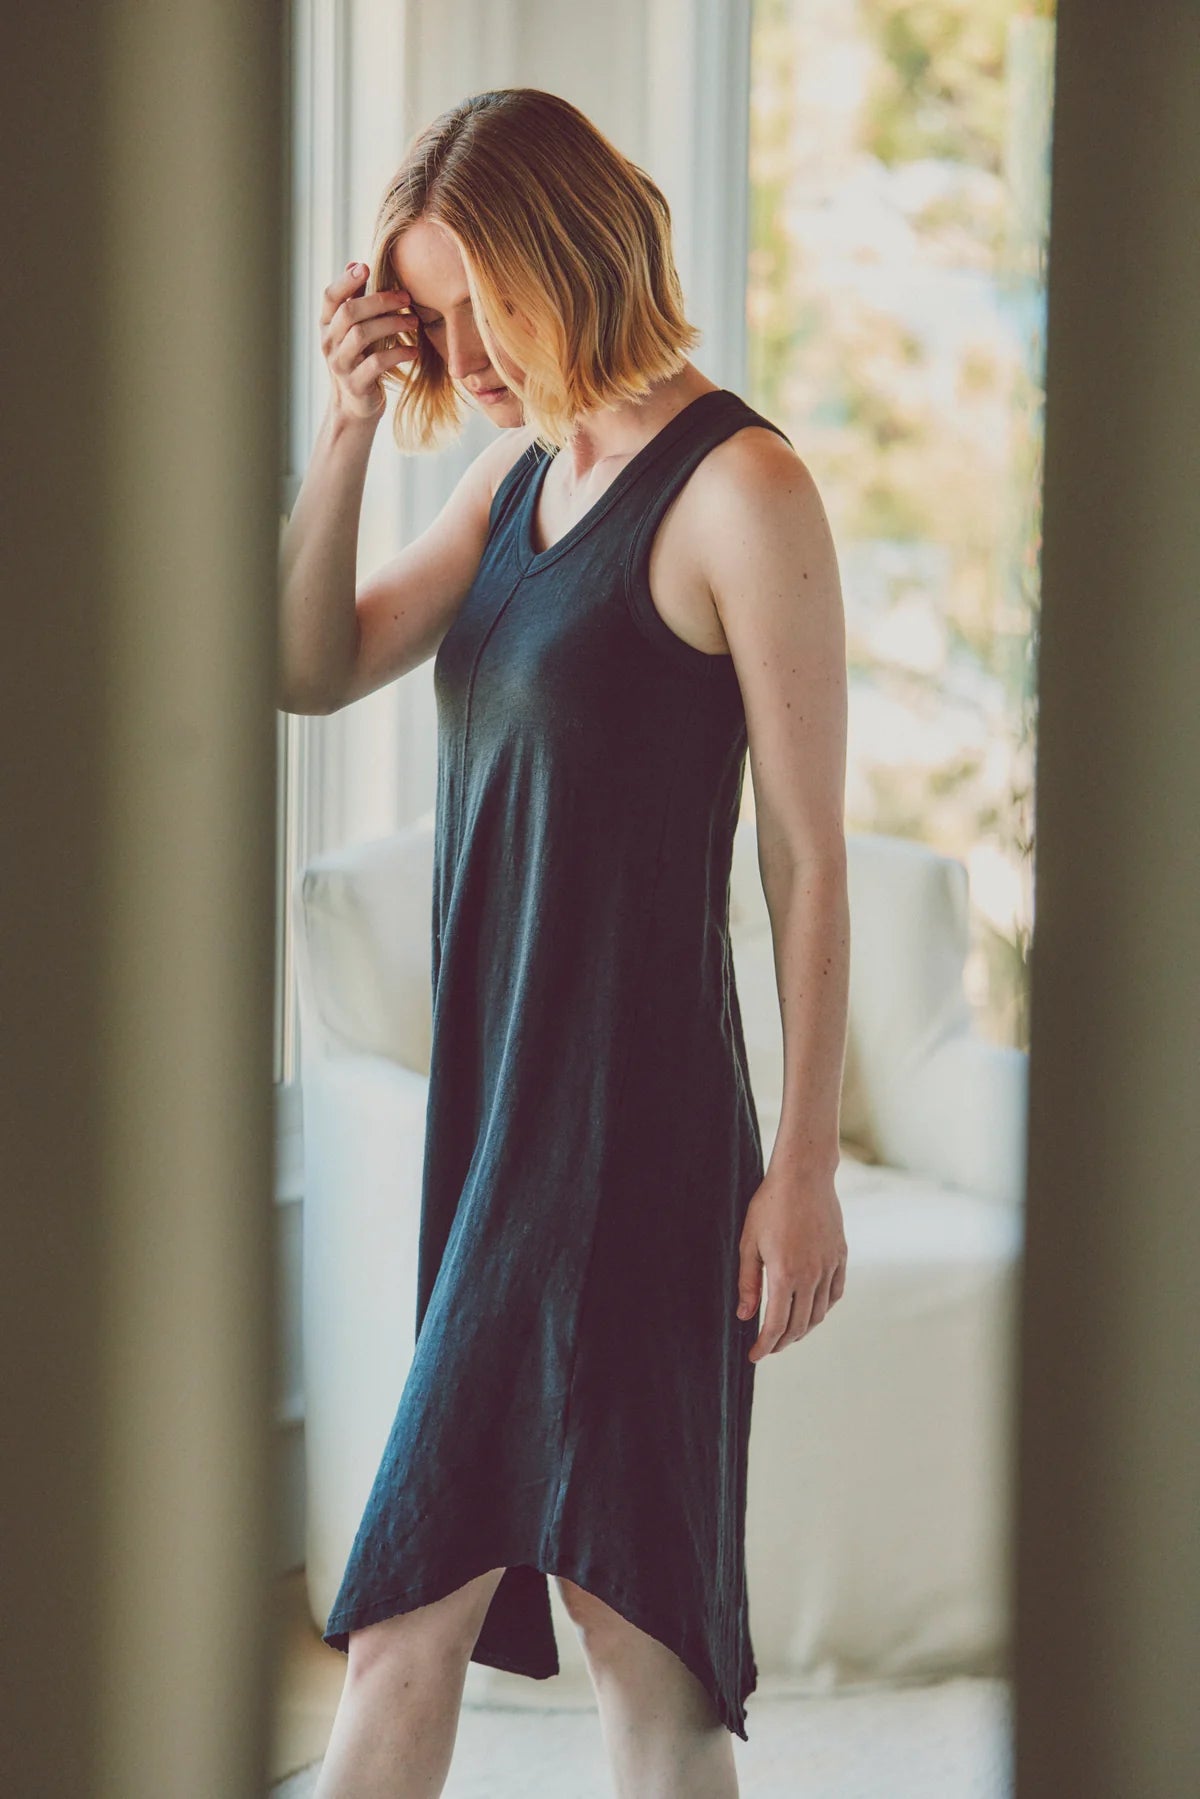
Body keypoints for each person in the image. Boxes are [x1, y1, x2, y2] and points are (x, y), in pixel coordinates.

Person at [278, 86, 850, 1799]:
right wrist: (349, 428)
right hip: (501, 1127)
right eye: (429, 318)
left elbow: (810, 861)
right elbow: (307, 665)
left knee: (638, 1645)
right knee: (412, 1624)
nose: (462, 351)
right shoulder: (527, 478)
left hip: (636, 1140)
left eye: (479, 307)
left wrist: (807, 1162)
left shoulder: (741, 487)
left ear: (569, 254)